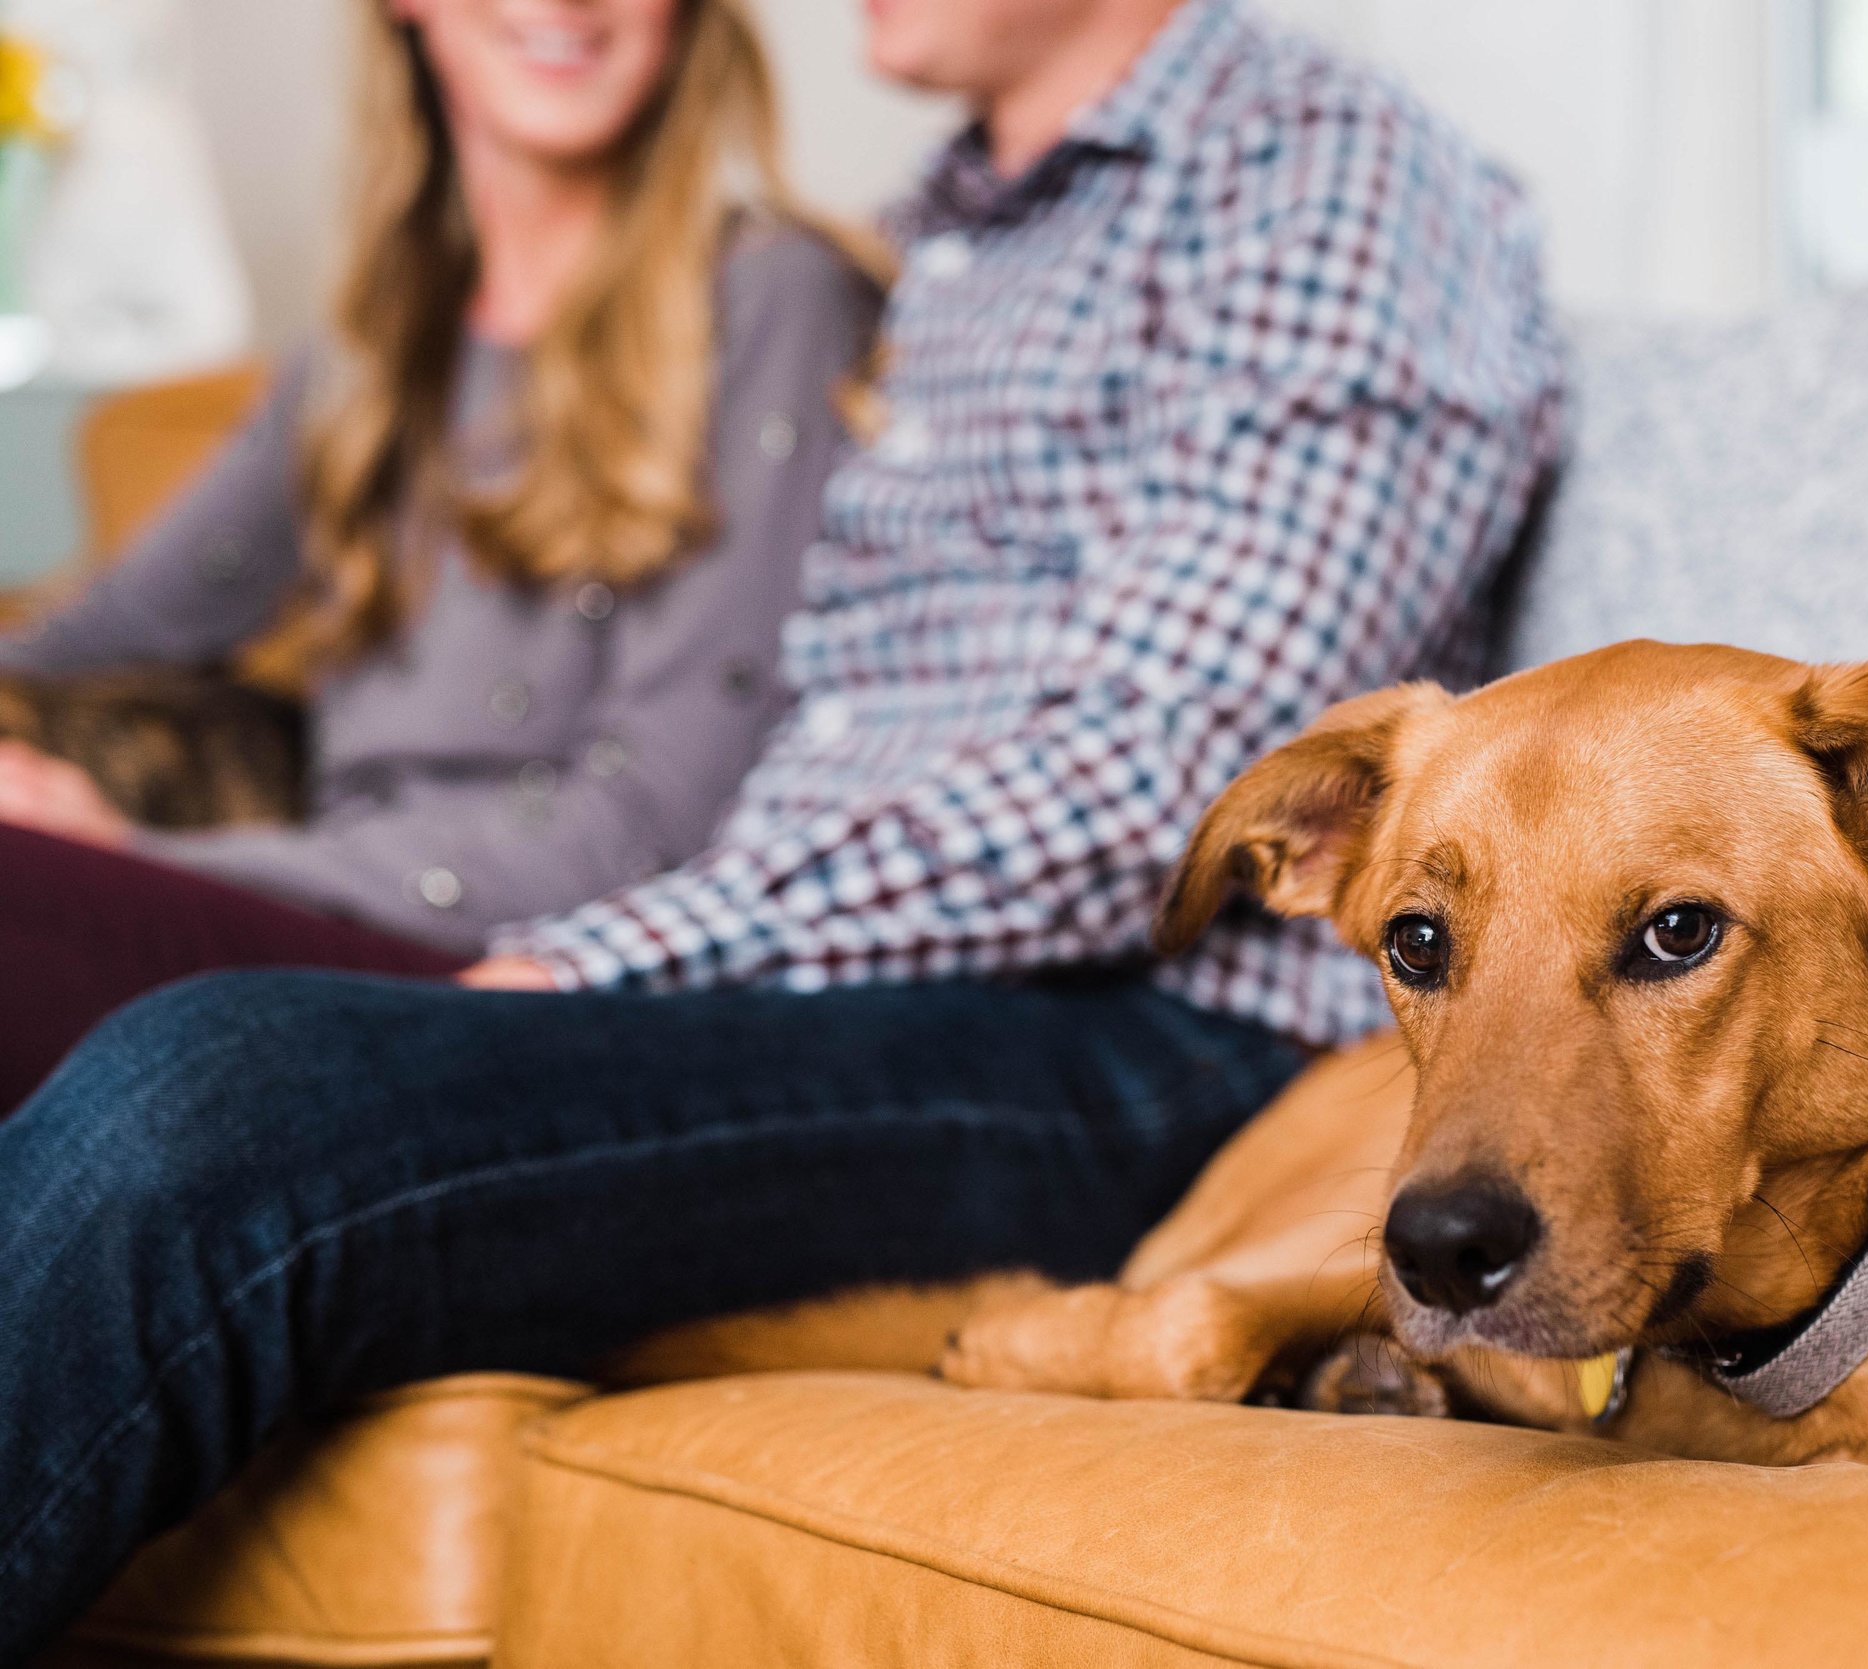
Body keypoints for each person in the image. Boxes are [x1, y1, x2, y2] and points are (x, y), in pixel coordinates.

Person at [0, 0, 1564, 1655]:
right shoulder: (950, 236)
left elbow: (1157, 780)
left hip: (1144, 1033)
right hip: (827, 992)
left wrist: (608, 955)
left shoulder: (1315, 179)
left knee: (220, 1097)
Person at [0, 0, 880, 1109]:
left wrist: (138, 857)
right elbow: (94, 631)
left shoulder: (773, 295)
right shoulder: (370, 353)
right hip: (313, 918)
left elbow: (651, 827)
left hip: (525, 975)